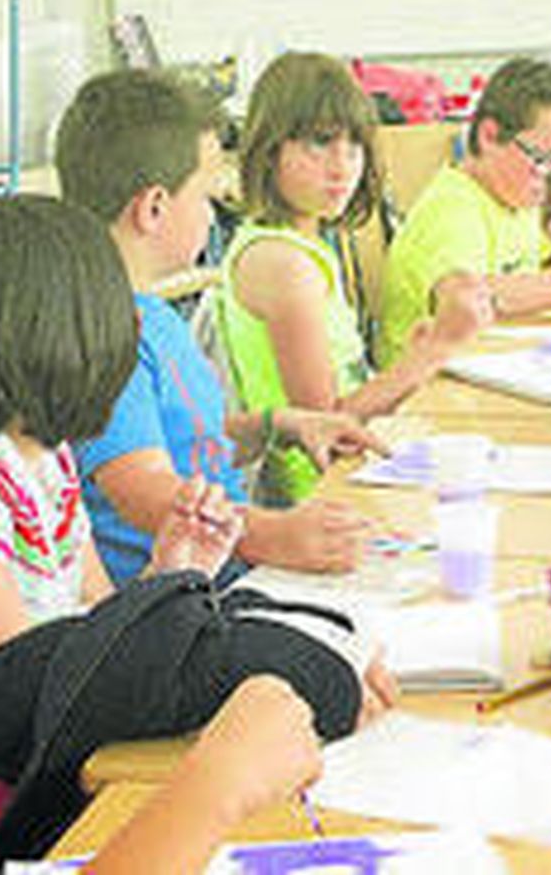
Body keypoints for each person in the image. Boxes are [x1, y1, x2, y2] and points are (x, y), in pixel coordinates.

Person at [0, 195, 392, 871]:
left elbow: (91, 643)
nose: (130, 330)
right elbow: (15, 709)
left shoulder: (36, 453)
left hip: (0, 785)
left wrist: (168, 580)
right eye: (113, 317)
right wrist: (295, 653)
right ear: (49, 333)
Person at [55, 68, 388, 584]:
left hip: (226, 567)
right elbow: (143, 489)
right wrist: (273, 535)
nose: (213, 217)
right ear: (154, 208)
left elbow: (189, 444)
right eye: (207, 197)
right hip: (178, 604)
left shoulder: (153, 314)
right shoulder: (104, 334)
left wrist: (276, 425)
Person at [219, 51, 495, 502]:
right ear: (270, 150)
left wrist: (419, 354)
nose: (342, 165)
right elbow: (327, 426)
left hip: (355, 476)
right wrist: (433, 353)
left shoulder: (303, 246)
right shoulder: (284, 264)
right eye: (319, 143)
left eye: (355, 146)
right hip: (321, 497)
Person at [377, 56, 551, 366]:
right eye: (543, 160)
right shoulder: (452, 212)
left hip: (480, 364)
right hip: (427, 392)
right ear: (489, 136)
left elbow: (521, 264)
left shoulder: (514, 198)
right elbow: (466, 297)